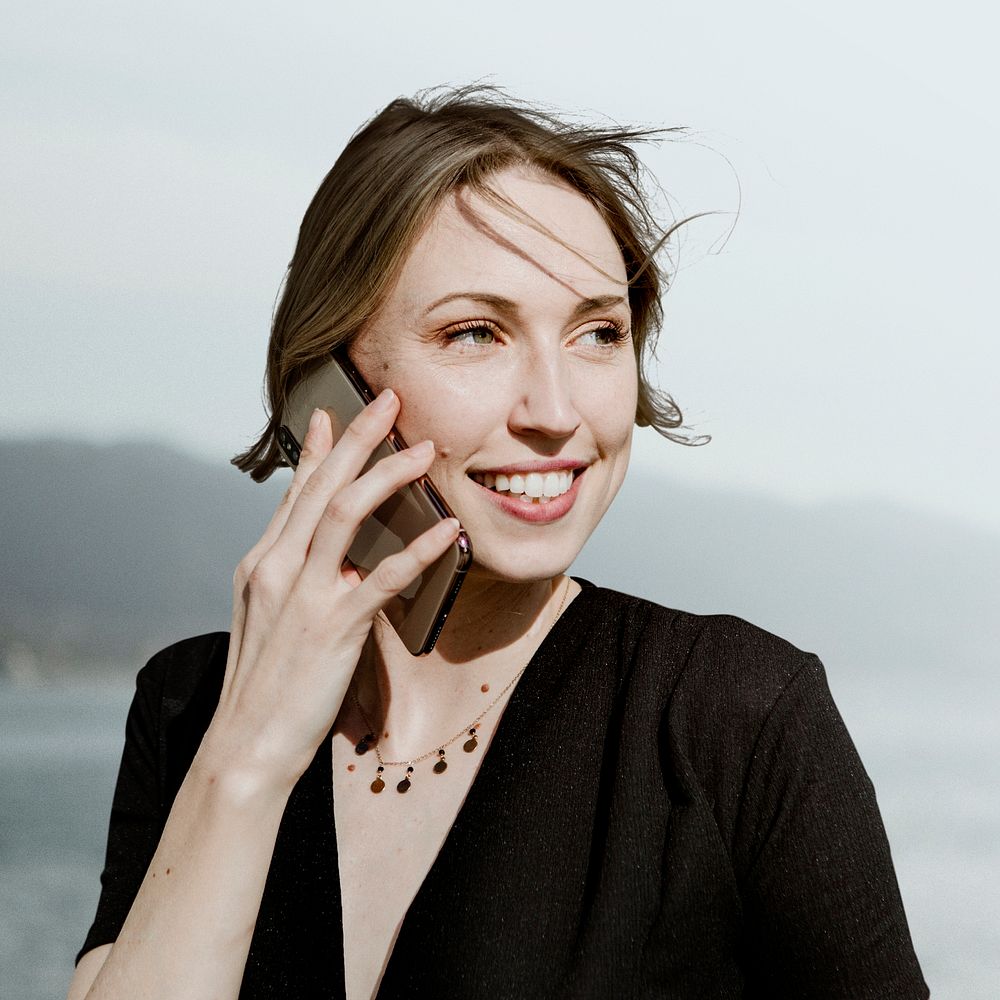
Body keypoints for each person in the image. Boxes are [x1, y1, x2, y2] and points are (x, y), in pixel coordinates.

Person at [67, 85, 929, 999]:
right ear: (327, 378)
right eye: (476, 333)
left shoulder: (736, 716)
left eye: (599, 332)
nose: (557, 414)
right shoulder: (193, 704)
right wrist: (248, 757)